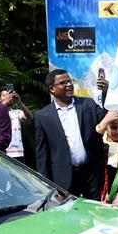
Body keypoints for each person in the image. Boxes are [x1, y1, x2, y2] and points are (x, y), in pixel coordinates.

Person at [34, 69, 106, 199]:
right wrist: (47, 187)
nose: (69, 85)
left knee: (93, 214)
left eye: (70, 81)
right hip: (63, 179)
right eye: (63, 82)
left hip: (91, 174)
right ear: (52, 89)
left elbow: (107, 118)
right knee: (67, 217)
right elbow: (42, 155)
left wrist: (105, 92)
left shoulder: (87, 104)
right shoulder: (43, 116)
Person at [0, 86, 33, 164]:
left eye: (10, 95)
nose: (8, 97)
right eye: (5, 96)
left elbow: (29, 117)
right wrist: (5, 103)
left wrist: (20, 102)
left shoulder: (16, 112)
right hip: (3, 152)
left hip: (18, 153)